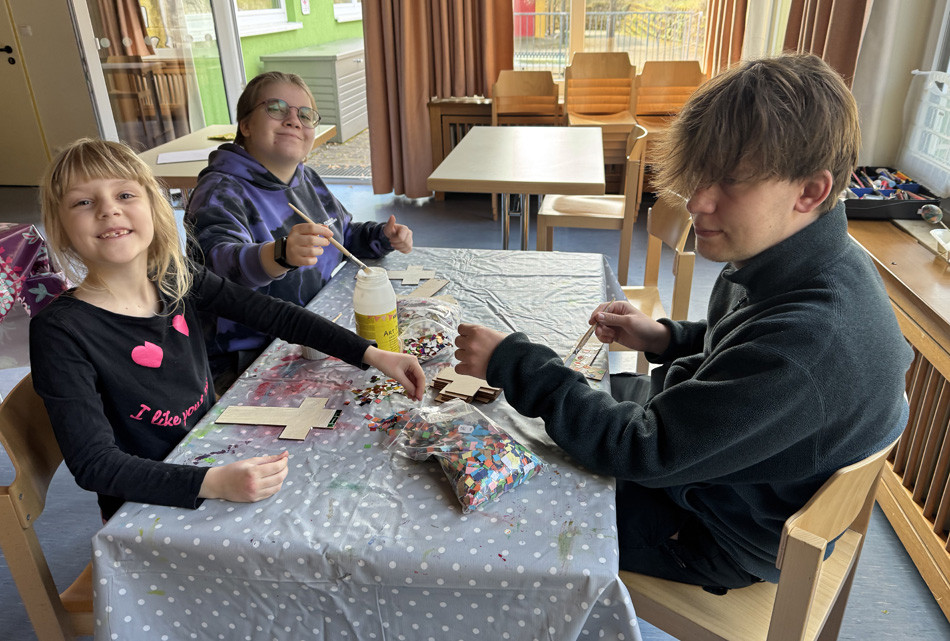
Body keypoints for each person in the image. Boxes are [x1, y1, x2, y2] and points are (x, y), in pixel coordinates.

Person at [453, 54, 912, 592]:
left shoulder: (808, 342)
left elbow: (642, 450)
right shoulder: (803, 257)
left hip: (716, 528)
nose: (697, 201)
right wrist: (666, 337)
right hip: (720, 464)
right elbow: (738, 345)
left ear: (809, 191)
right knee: (546, 417)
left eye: (730, 182)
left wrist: (513, 363)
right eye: (699, 175)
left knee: (501, 493)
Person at [30, 138, 425, 521]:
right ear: (60, 228)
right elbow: (95, 465)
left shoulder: (175, 277)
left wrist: (371, 353)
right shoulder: (60, 332)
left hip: (211, 451)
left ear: (153, 206)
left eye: (125, 195)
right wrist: (213, 482)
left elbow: (276, 315)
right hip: (148, 504)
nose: (108, 210)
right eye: (83, 202)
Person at [186, 71, 414, 394]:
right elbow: (215, 268)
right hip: (245, 362)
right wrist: (279, 255)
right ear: (245, 125)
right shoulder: (219, 190)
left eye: (305, 115)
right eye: (276, 108)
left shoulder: (307, 180)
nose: (293, 120)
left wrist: (382, 236)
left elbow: (342, 236)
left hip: (308, 339)